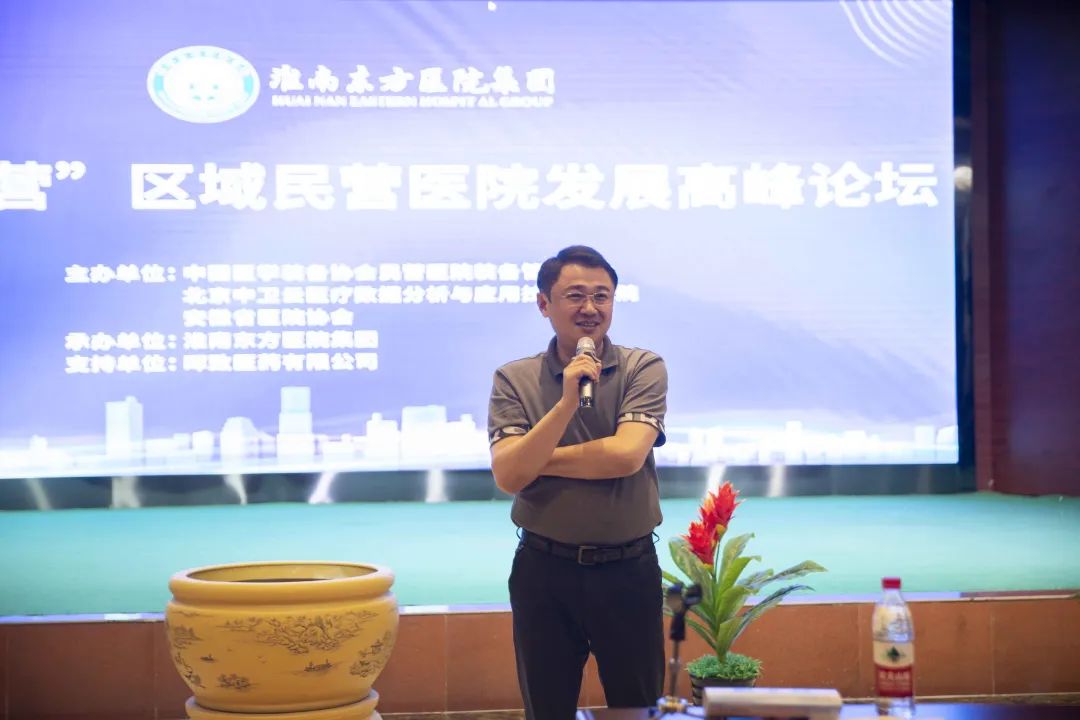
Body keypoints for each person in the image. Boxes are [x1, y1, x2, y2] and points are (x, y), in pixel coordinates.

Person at [487, 245, 668, 719]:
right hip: (544, 572)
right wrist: (567, 402)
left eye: (601, 296)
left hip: (628, 570)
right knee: (546, 709)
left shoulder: (642, 368)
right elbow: (509, 476)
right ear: (544, 304)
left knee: (637, 710)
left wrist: (535, 459)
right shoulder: (514, 379)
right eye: (575, 295)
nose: (590, 308)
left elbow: (625, 456)